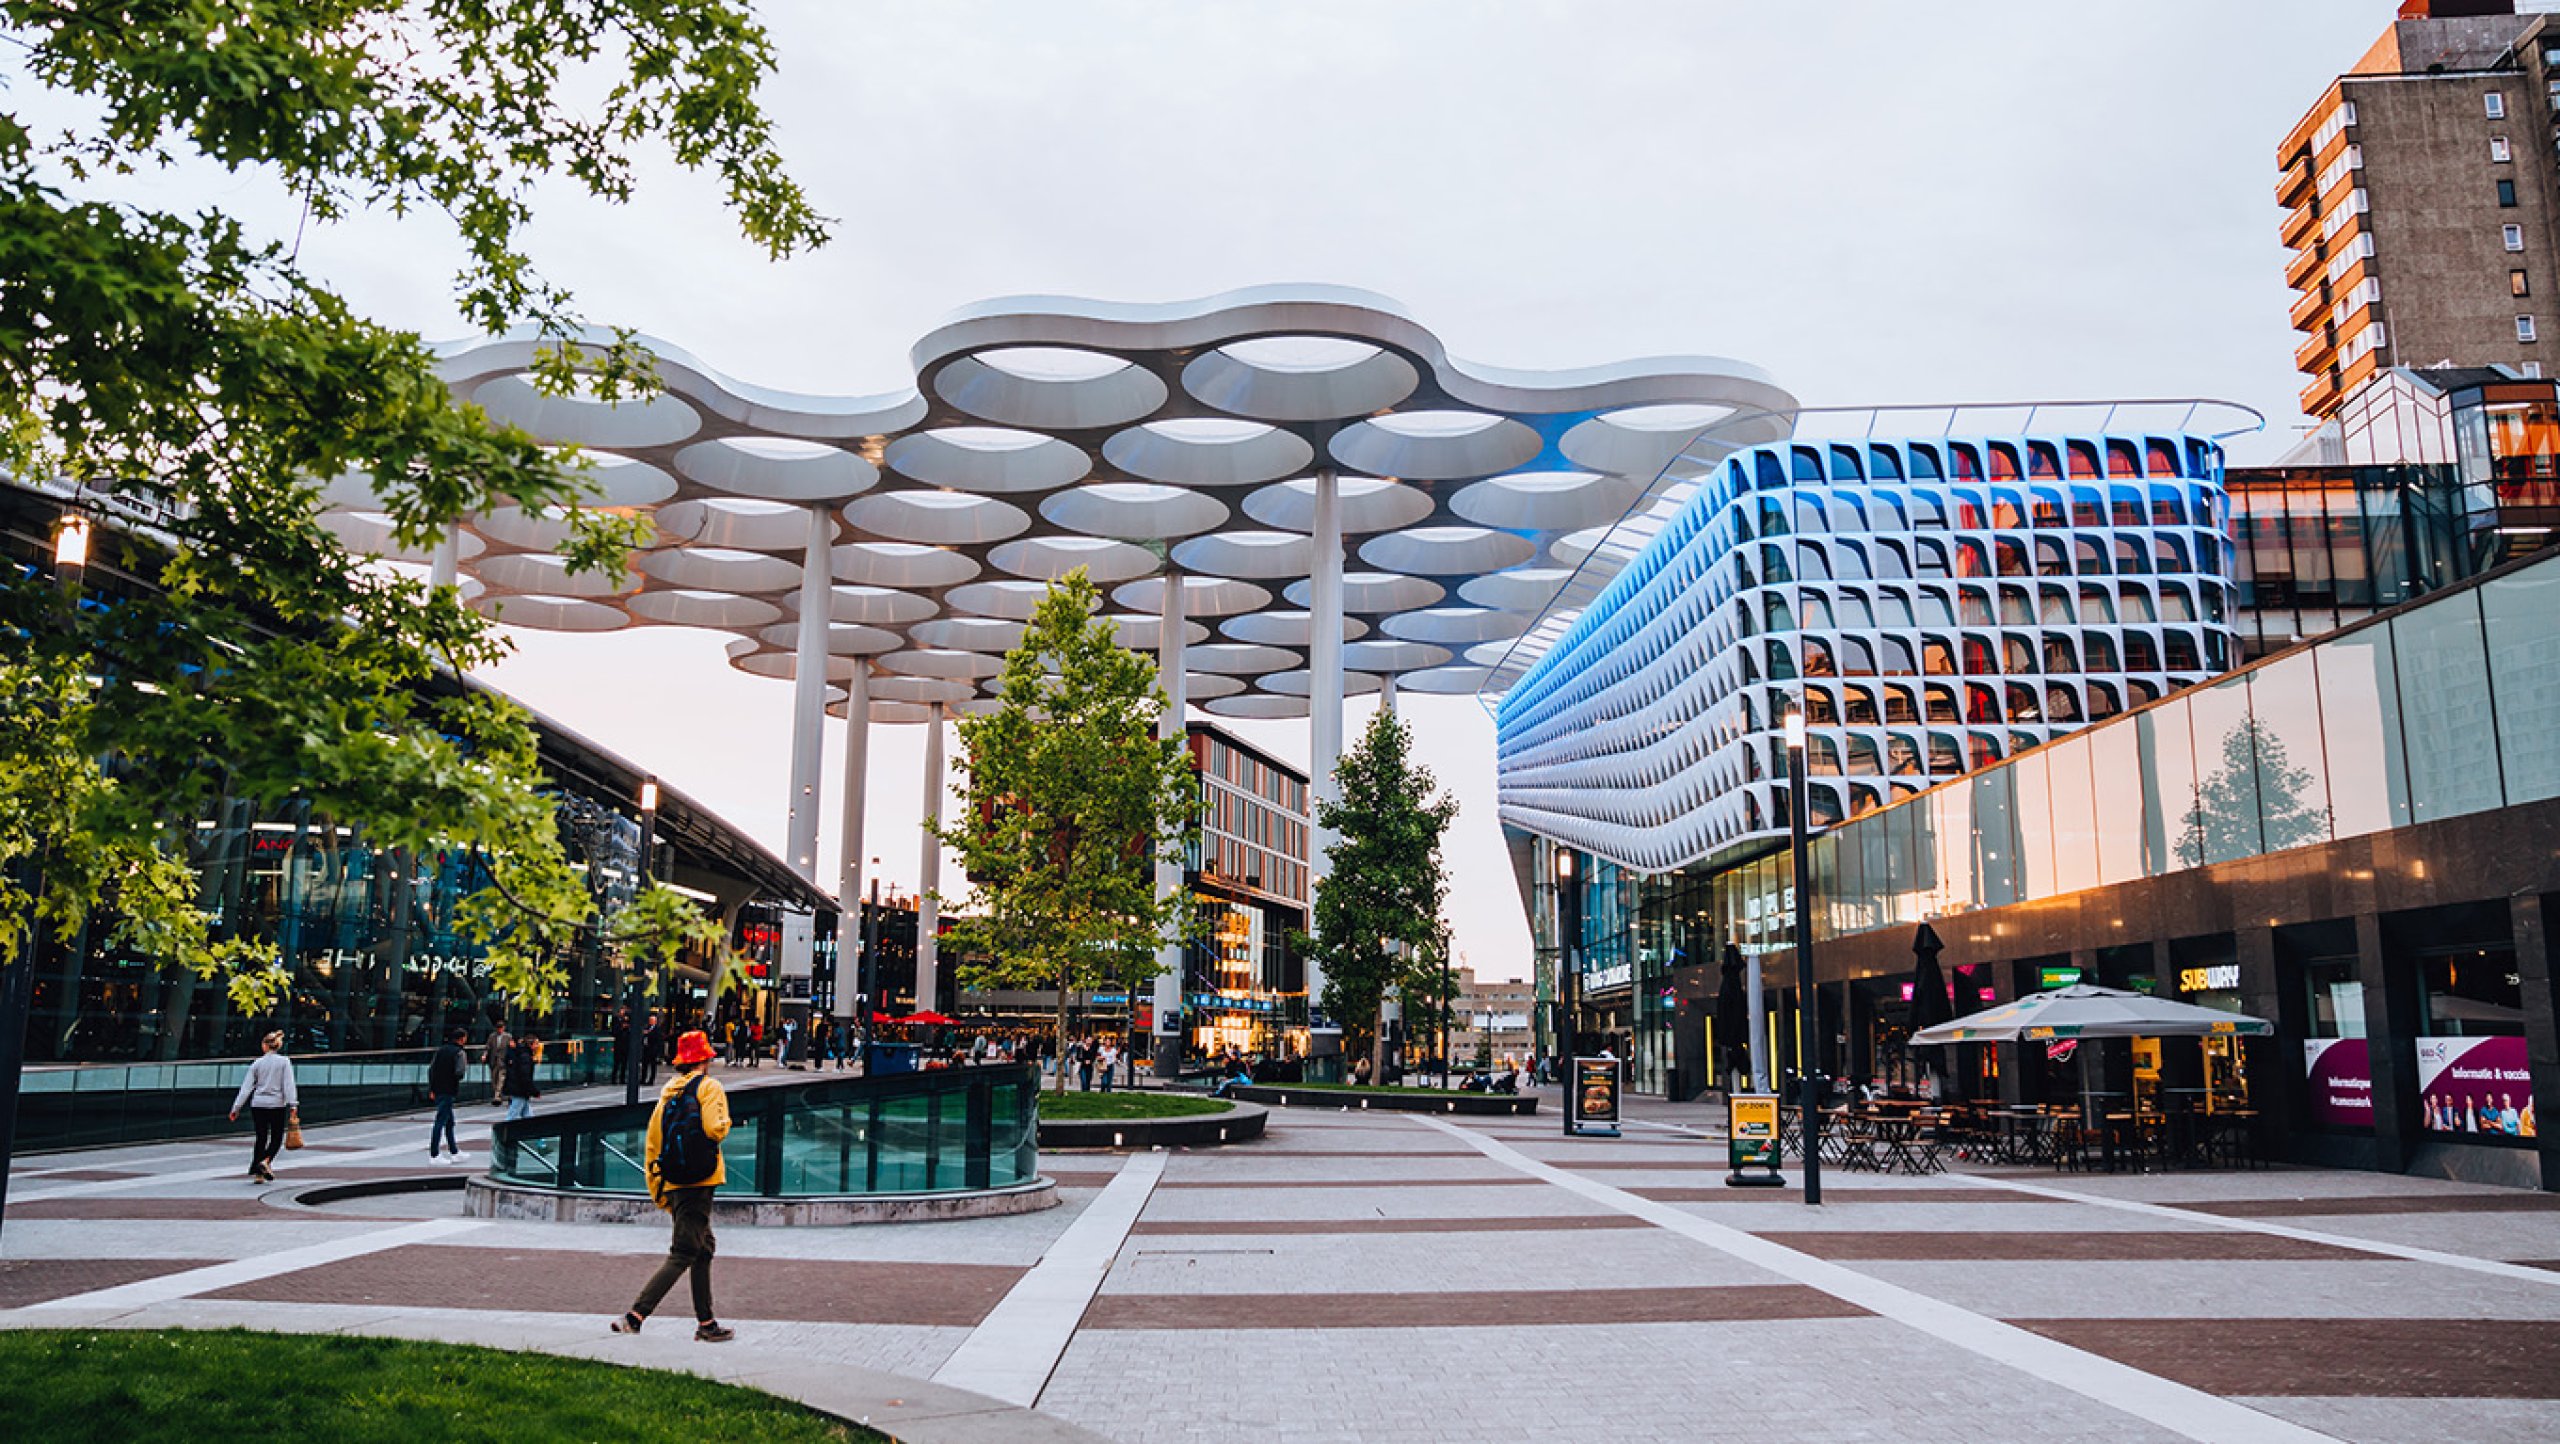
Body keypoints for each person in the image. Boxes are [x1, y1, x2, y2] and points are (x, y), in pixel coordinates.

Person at [612, 1029, 735, 1343]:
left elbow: (654, 1141)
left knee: (703, 1247)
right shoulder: (709, 1088)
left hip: (675, 1179)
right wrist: (725, 1123)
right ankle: (635, 1316)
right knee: (683, 1251)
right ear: (705, 1059)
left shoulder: (668, 1092)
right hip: (700, 1179)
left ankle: (706, 1322)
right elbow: (714, 1128)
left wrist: (658, 1187)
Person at [228, 1030, 299, 1182]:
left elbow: (246, 1087)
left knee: (261, 1137)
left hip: (258, 1104)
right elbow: (288, 1084)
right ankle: (265, 1162)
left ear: (265, 1046)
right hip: (277, 1104)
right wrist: (293, 1103)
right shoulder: (284, 1062)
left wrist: (236, 1107)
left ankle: (258, 1174)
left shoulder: (257, 1063)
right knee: (276, 1137)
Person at [427, 1024, 468, 1163]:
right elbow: (459, 1072)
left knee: (449, 1122)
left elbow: (431, 1069)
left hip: (438, 1088)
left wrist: (432, 1088)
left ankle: (454, 1150)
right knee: (441, 1121)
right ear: (462, 1039)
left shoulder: (441, 1051)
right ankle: (434, 1154)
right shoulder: (459, 1053)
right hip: (449, 1089)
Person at [503, 1026, 541, 1121]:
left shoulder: (522, 1054)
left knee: (527, 1114)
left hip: (520, 1089)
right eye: (536, 1044)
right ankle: (504, 1134)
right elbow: (525, 1076)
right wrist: (533, 1091)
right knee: (513, 1115)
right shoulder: (525, 1057)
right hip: (520, 1090)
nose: (538, 1046)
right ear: (531, 1045)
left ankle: (535, 1134)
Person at [485, 1019, 511, 1108]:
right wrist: (485, 1055)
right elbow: (488, 1047)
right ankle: (498, 1095)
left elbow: (510, 1048)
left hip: (503, 1061)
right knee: (494, 1079)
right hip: (493, 1061)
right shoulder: (492, 1036)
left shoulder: (508, 1037)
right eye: (498, 1028)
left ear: (503, 1028)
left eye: (501, 1028)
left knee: (501, 1078)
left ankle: (496, 1096)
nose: (499, 1030)